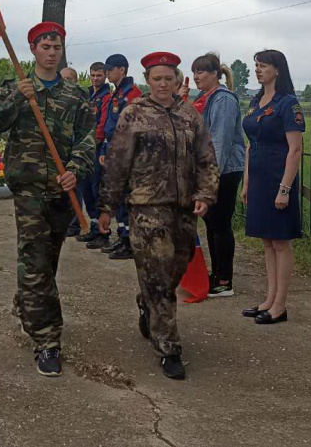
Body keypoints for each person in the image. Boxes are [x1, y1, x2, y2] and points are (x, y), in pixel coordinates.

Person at [0, 22, 97, 377]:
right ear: (32, 49)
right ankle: (47, 341)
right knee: (34, 260)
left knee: (48, 261)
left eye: (56, 46)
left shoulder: (75, 96)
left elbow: (87, 139)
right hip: (29, 189)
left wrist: (75, 169)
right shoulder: (14, 87)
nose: (51, 51)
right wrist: (19, 96)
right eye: (44, 45)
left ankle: (26, 303)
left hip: (60, 191)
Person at [98, 52, 219, 379]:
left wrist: (206, 195)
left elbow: (207, 158)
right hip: (146, 209)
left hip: (183, 210)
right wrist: (107, 207)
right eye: (157, 78)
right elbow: (117, 162)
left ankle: (145, 302)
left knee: (173, 270)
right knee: (161, 277)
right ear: (147, 81)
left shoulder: (189, 115)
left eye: (169, 78)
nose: (164, 84)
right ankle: (169, 348)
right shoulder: (133, 114)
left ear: (178, 81)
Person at [240, 49, 304, 325]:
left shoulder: (288, 104)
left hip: (279, 176)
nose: (258, 70)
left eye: (263, 66)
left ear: (277, 69)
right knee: (266, 240)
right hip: (258, 177)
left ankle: (280, 305)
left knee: (280, 241)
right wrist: (246, 181)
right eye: (256, 66)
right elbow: (250, 145)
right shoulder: (256, 101)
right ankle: (269, 298)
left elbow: (296, 149)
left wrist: (285, 188)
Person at [190, 53, 246, 297]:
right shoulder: (206, 98)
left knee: (220, 224)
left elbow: (220, 141)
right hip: (210, 170)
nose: (196, 77)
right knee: (211, 223)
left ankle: (224, 279)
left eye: (201, 72)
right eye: (194, 72)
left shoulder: (223, 100)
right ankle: (216, 273)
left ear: (215, 74)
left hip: (224, 170)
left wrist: (212, 176)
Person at [91, 53, 142, 259]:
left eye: (110, 70)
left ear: (122, 69)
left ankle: (130, 241)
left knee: (127, 196)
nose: (108, 73)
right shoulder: (116, 94)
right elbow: (109, 126)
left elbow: (131, 128)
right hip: (112, 148)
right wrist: (104, 149)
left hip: (125, 152)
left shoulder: (132, 94)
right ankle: (122, 237)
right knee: (117, 197)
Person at [72, 62, 111, 242]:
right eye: (93, 75)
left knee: (97, 189)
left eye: (99, 76)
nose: (96, 79)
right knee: (85, 188)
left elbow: (102, 123)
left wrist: (92, 143)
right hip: (83, 148)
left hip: (95, 148)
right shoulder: (87, 93)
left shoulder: (106, 97)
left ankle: (103, 231)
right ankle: (93, 226)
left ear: (105, 76)